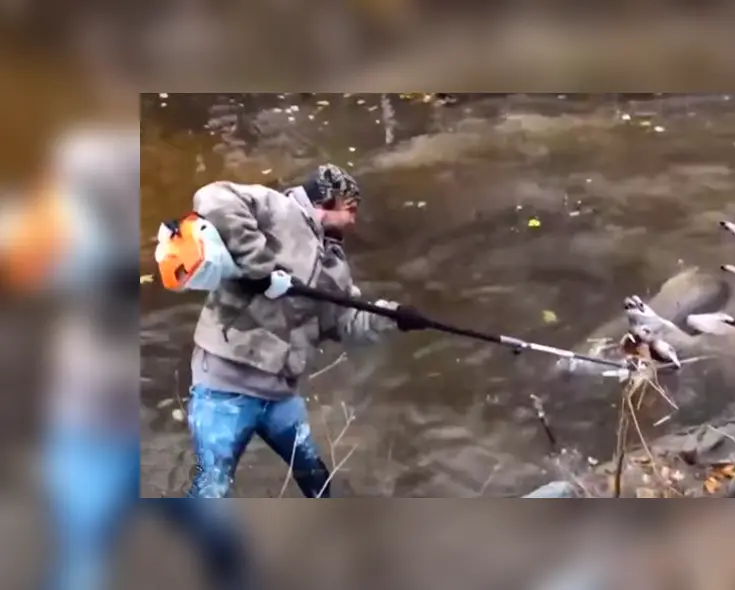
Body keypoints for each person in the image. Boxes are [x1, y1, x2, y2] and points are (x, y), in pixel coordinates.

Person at [6, 127, 254, 590]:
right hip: (91, 429)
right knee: (85, 561)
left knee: (217, 536)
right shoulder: (62, 235)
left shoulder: (81, 225)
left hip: (129, 423)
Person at [185, 164, 426, 498]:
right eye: (350, 210)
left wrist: (392, 317)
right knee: (212, 486)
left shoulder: (335, 266)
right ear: (326, 201)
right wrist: (260, 269)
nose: (353, 221)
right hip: (223, 388)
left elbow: (345, 322)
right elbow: (212, 197)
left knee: (317, 482)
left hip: (281, 396)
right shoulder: (276, 210)